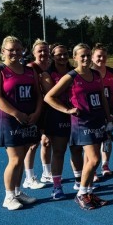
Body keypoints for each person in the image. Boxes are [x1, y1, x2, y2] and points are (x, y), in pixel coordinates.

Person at [45, 44, 113, 210]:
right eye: (82, 56)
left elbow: (102, 97)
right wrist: (67, 110)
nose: (86, 58)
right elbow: (49, 97)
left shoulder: (96, 74)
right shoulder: (71, 76)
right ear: (74, 57)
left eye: (88, 55)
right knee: (95, 158)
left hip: (98, 120)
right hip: (82, 123)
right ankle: (81, 193)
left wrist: (108, 115)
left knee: (91, 160)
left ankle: (89, 192)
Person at [0, 36, 43, 210]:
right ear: (3, 51)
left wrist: (36, 113)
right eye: (10, 49)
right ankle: (8, 197)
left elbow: (38, 94)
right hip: (10, 120)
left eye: (18, 49)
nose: (15, 52)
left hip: (29, 119)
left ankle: (17, 191)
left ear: (23, 50)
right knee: (14, 159)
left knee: (21, 158)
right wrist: (16, 113)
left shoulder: (30, 71)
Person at [40, 44, 76, 200]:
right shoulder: (47, 74)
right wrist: (66, 109)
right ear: (52, 56)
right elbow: (51, 97)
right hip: (57, 116)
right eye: (58, 54)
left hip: (76, 115)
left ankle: (80, 182)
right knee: (59, 151)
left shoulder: (75, 71)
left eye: (65, 54)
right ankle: (56, 186)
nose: (62, 57)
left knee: (77, 150)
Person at [23, 39, 51, 189]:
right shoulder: (30, 68)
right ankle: (29, 177)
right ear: (33, 53)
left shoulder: (50, 67)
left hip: (48, 110)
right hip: (35, 110)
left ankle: (47, 173)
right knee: (32, 145)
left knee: (47, 142)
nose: (43, 53)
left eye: (45, 50)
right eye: (40, 51)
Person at [91, 43, 113, 180]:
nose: (101, 59)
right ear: (92, 57)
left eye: (104, 56)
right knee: (93, 142)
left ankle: (105, 165)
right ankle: (92, 169)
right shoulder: (88, 73)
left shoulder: (112, 73)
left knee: (107, 139)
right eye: (98, 56)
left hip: (109, 112)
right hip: (93, 112)